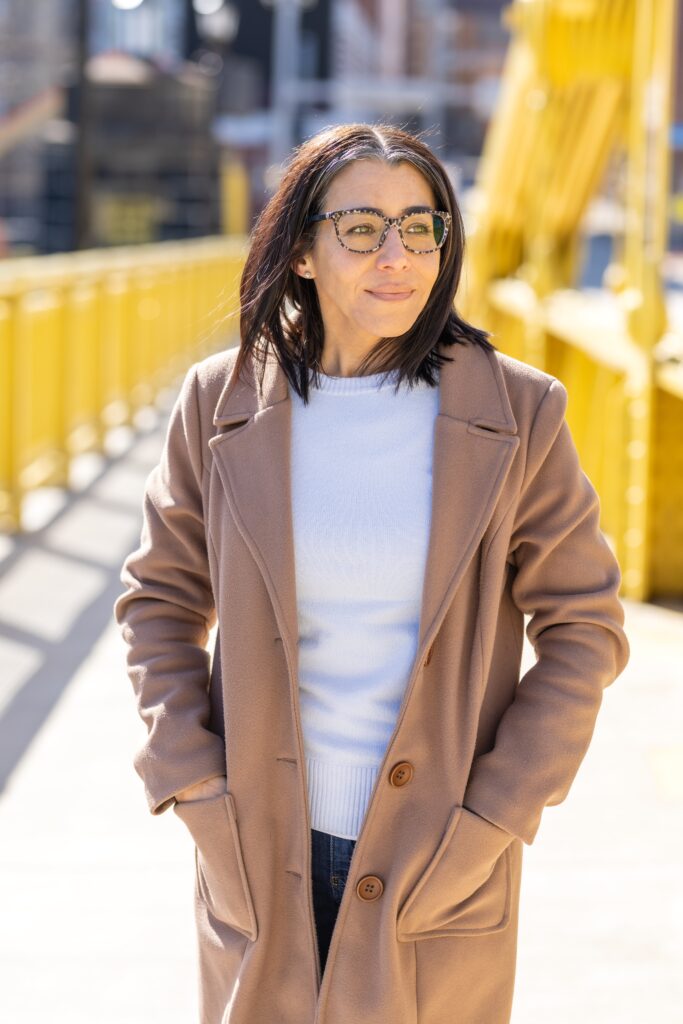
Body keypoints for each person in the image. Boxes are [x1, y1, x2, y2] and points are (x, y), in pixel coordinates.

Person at [114, 122, 630, 1024]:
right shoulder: (219, 401)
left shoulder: (519, 412)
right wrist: (191, 783)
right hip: (258, 840)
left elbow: (584, 628)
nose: (395, 255)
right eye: (360, 228)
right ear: (303, 252)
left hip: (439, 849)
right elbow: (158, 601)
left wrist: (498, 815)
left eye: (419, 227)